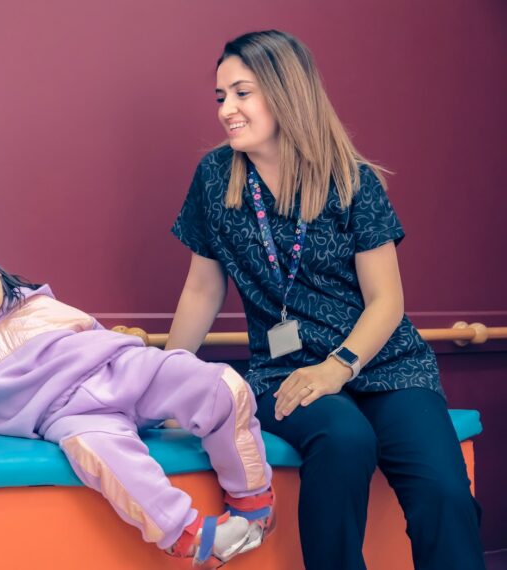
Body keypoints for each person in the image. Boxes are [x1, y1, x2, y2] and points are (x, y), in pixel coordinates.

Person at [167, 30, 484, 570]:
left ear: (286, 92)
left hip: (385, 364)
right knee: (343, 438)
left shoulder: (353, 180)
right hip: (285, 369)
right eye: (221, 96)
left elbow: (386, 301)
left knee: (444, 494)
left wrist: (339, 367)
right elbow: (202, 288)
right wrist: (165, 381)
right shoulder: (215, 176)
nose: (226, 110)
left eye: (242, 93)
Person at [0, 241, 274, 565]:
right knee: (102, 458)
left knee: (220, 384)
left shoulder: (35, 300)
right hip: (76, 416)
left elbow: (93, 333)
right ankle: (188, 536)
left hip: (126, 370)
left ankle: (251, 501)